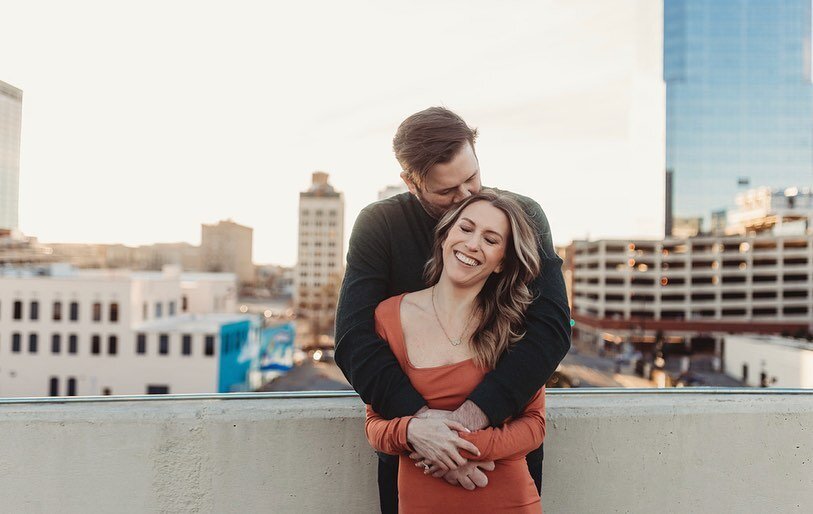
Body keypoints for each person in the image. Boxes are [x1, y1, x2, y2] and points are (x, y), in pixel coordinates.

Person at [335, 107, 570, 513]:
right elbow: (354, 340)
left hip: (506, 460)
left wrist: (461, 431)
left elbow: (549, 330)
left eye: (471, 179)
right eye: (446, 192)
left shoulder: (523, 216)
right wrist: (423, 429)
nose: (467, 198)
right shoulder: (379, 225)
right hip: (410, 464)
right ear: (411, 183)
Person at [365, 190, 547, 512]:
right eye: (466, 228)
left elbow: (534, 425)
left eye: (491, 240)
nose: (473, 243)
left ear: (501, 263)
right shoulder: (388, 316)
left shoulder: (514, 324)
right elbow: (374, 426)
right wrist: (412, 432)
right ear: (446, 234)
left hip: (508, 501)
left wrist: (451, 447)